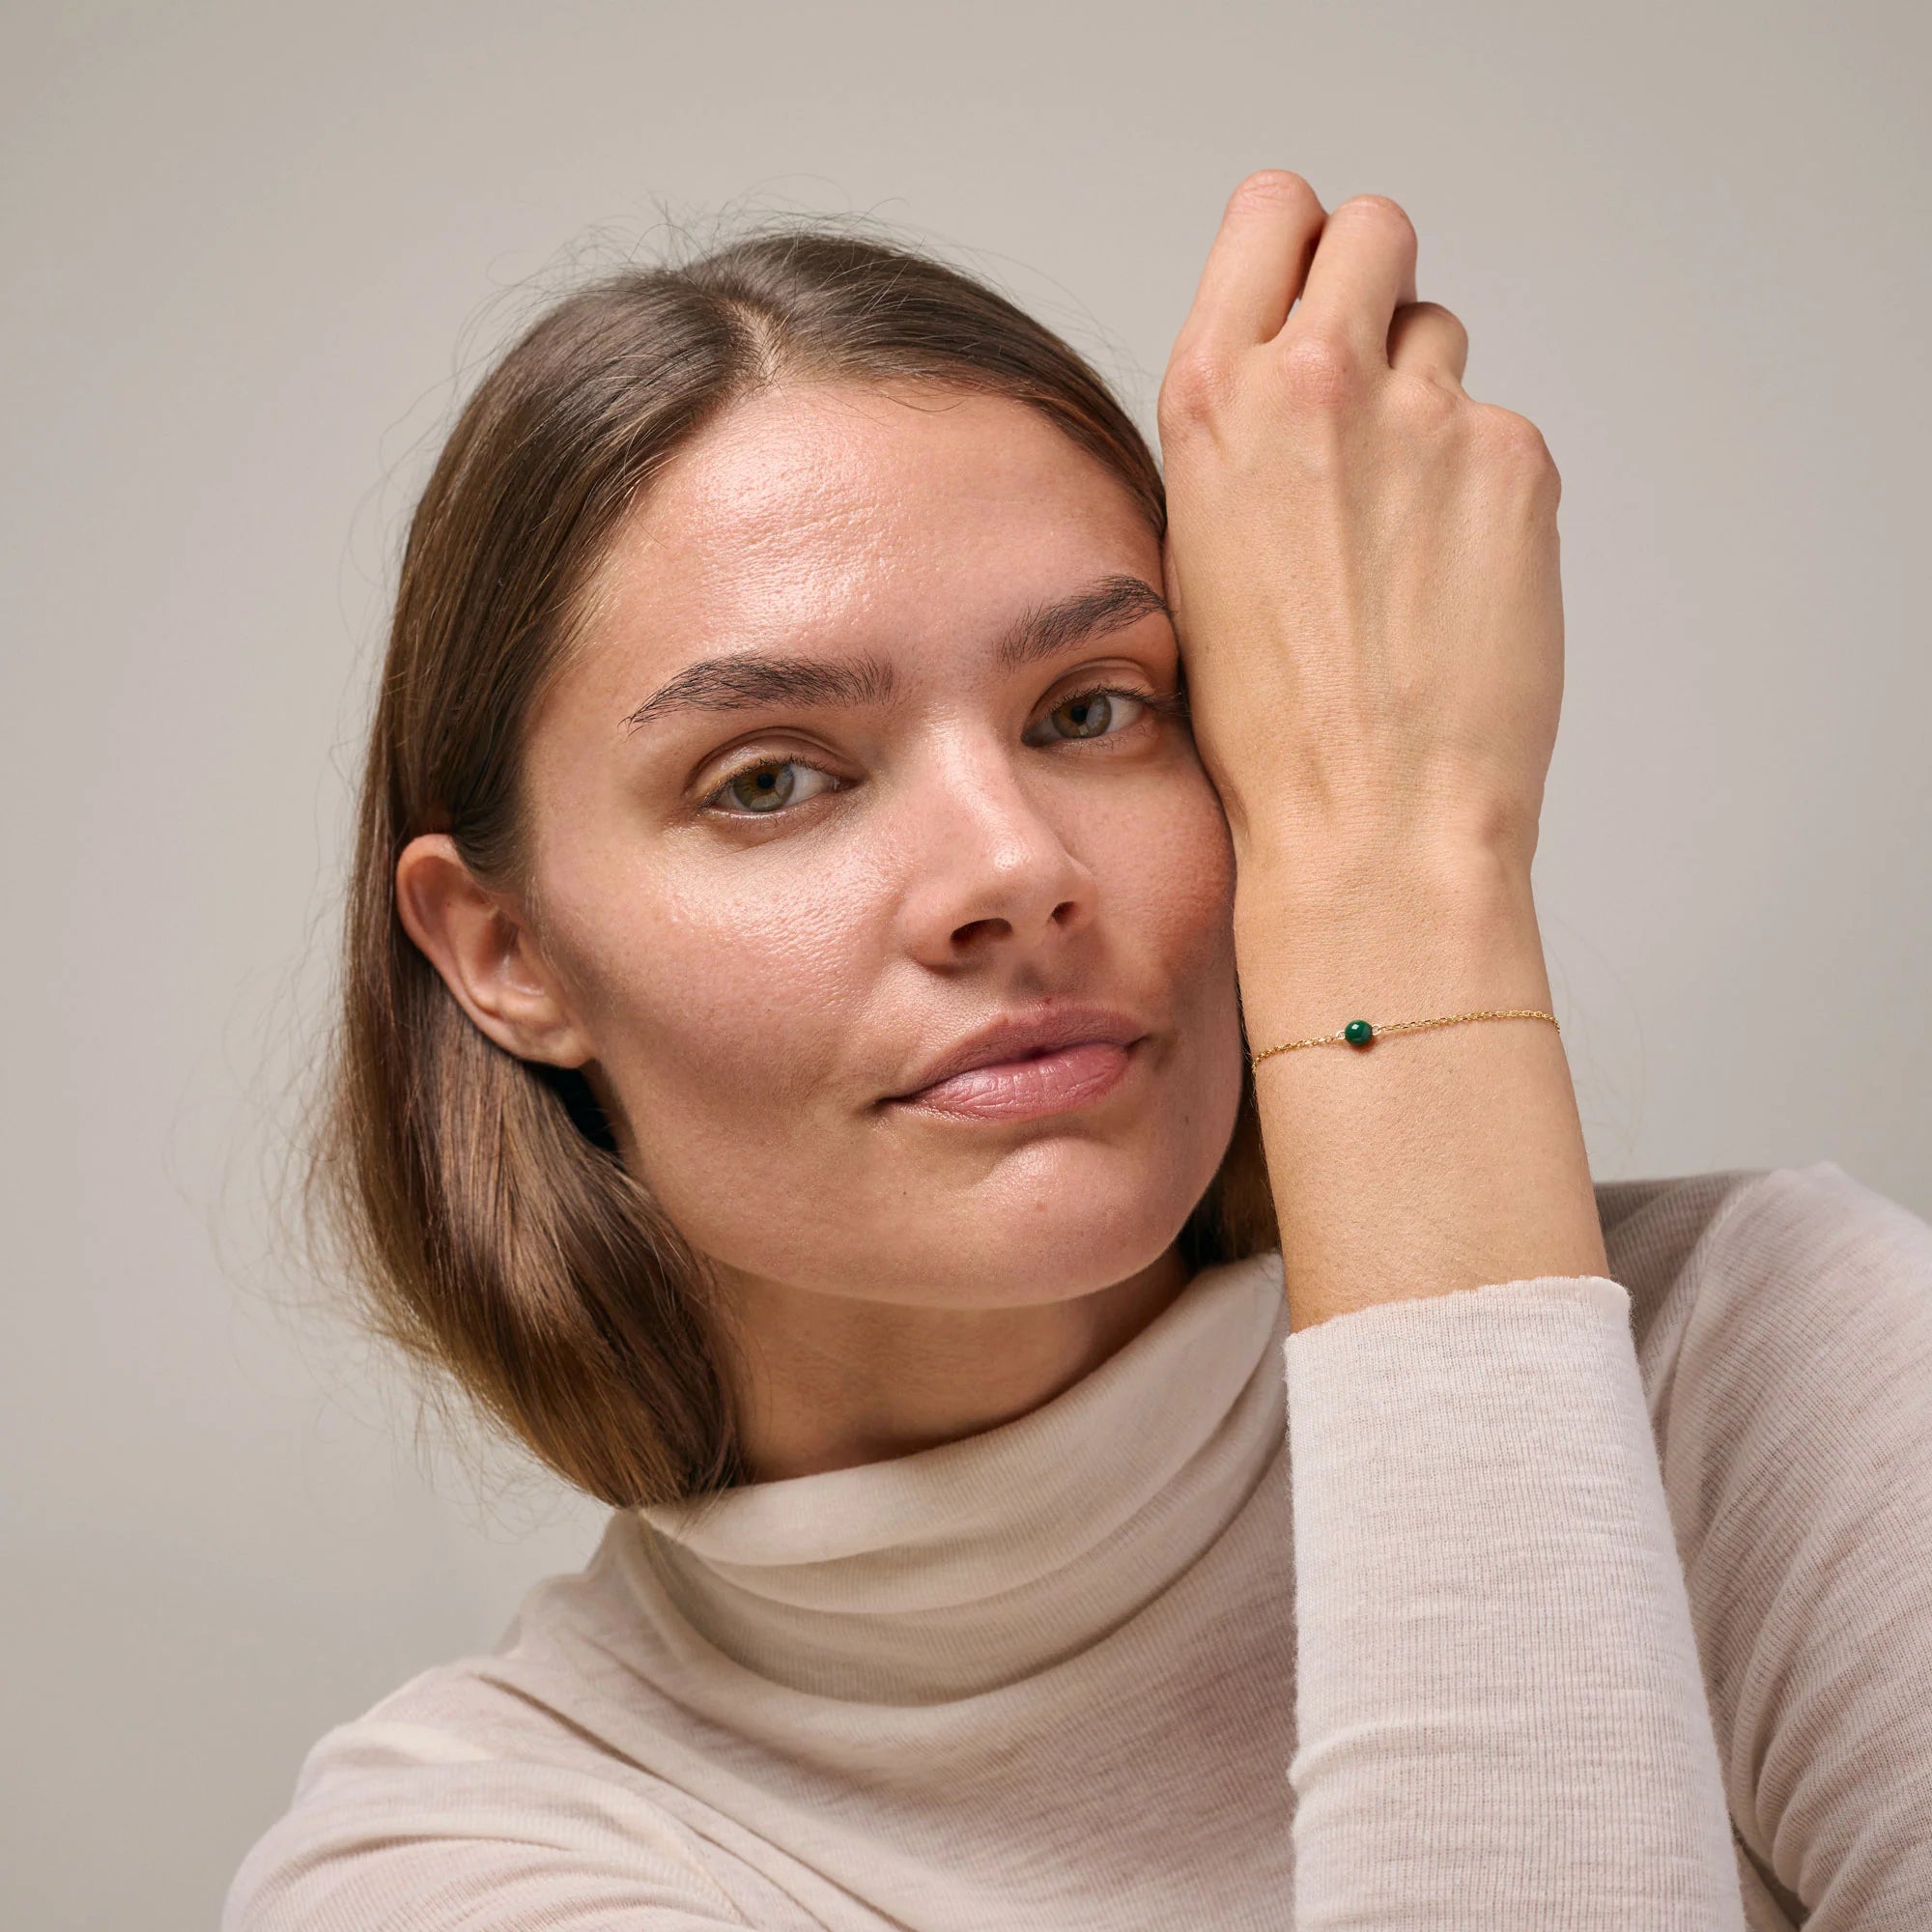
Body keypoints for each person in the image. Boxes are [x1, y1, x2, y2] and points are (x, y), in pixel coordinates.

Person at [223, 173, 1932, 1929]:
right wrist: (1399, 899)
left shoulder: (1767, 1372)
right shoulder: (463, 1866)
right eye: (772, 777)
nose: (1014, 869)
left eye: (1093, 710)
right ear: (503, 952)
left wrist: (1396, 887)